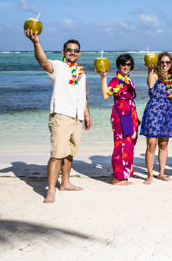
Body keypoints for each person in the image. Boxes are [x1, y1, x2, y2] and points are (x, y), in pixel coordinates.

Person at [24, 30, 92, 203]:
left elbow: (83, 97)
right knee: (57, 154)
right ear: (63, 52)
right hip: (61, 115)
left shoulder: (82, 73)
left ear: (79, 53)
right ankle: (51, 190)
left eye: (76, 50)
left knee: (69, 153)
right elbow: (43, 61)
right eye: (69, 50)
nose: (72, 52)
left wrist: (87, 115)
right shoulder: (58, 67)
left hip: (77, 118)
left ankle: (66, 183)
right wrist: (36, 43)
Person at [99, 54, 140, 186]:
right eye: (123, 64)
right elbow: (106, 95)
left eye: (128, 64)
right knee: (120, 144)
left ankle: (125, 174)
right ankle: (118, 177)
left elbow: (131, 98)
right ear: (118, 66)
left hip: (131, 114)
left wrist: (136, 117)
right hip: (120, 114)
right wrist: (103, 77)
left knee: (129, 145)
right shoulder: (115, 81)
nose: (126, 67)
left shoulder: (129, 80)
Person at [140, 52, 172, 184]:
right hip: (154, 110)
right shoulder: (155, 74)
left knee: (163, 144)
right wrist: (150, 69)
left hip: (167, 111)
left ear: (171, 64)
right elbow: (150, 84)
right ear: (158, 63)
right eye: (162, 62)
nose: (165, 64)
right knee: (151, 145)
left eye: (168, 62)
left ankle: (161, 173)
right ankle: (150, 175)